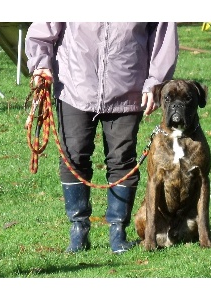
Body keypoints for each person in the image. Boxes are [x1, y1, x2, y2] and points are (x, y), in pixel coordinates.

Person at [25, 22, 179, 254]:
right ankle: (79, 229)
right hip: (74, 83)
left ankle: (118, 231)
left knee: (122, 158)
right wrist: (40, 65)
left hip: (128, 85)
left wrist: (155, 81)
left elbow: (163, 34)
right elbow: (43, 28)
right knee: (73, 155)